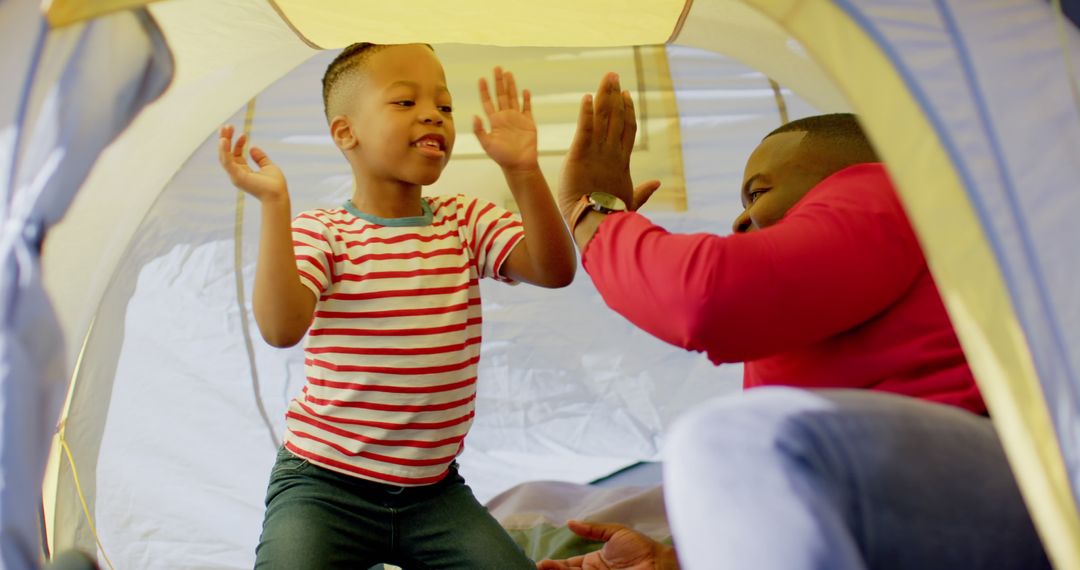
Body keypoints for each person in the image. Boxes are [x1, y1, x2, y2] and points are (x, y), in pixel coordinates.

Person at [539, 74, 1051, 569]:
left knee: (731, 439)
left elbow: (705, 298)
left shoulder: (885, 187)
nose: (738, 221)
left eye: (757, 193)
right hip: (923, 501)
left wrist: (593, 212)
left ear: (842, 171)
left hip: (1004, 485)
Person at [218, 42, 575, 569]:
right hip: (323, 487)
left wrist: (523, 171)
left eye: (445, 105)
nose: (432, 113)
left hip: (433, 494)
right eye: (405, 102)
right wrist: (275, 206)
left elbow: (553, 270)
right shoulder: (326, 233)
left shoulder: (463, 220)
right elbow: (279, 327)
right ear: (346, 132)